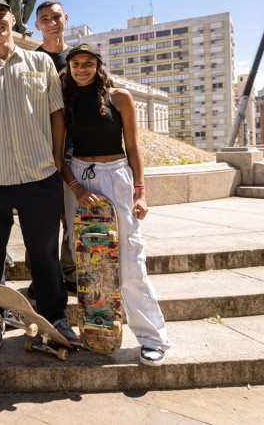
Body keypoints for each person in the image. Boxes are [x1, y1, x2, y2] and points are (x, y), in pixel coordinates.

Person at [0, 0, 78, 351]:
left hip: (40, 174)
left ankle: (55, 316)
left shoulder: (40, 63)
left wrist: (54, 159)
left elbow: (56, 115)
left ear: (13, 20)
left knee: (44, 253)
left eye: (0, 16)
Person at [60, 43, 171, 367]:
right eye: (76, 63)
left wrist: (140, 192)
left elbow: (134, 148)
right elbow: (58, 156)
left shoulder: (119, 97)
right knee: (89, 262)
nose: (82, 68)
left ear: (97, 65)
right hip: (80, 178)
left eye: (88, 63)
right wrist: (77, 189)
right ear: (69, 67)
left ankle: (153, 339)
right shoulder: (63, 101)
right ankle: (98, 330)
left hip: (116, 177)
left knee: (130, 261)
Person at [33, 0, 77, 295]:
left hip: (74, 149)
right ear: (37, 25)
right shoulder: (30, 60)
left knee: (70, 219)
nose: (51, 22)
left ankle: (71, 273)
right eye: (44, 18)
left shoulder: (78, 58)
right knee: (39, 222)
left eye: (56, 17)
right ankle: (41, 278)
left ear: (66, 19)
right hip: (37, 150)